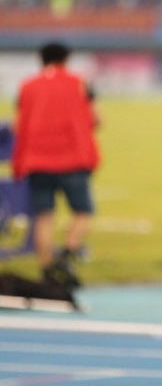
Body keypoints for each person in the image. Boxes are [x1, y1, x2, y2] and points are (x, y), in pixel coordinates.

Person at [11, 42, 100, 288]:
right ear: (66, 59)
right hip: (73, 159)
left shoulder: (27, 86)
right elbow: (96, 119)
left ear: (41, 59)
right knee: (83, 212)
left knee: (44, 216)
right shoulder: (80, 83)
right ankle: (67, 253)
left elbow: (18, 125)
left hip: (37, 161)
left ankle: (47, 269)